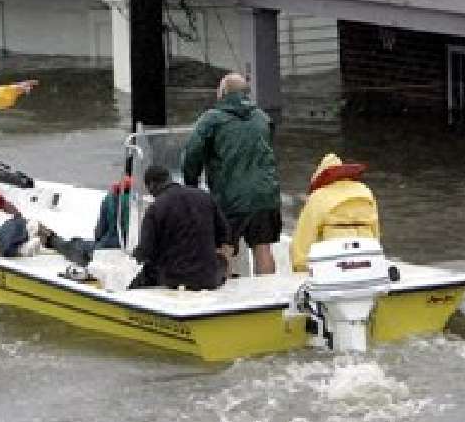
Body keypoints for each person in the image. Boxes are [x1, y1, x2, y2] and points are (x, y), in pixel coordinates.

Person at [181, 73, 281, 276]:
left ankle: (224, 288)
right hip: (265, 195)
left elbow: (192, 154)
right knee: (262, 247)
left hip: (229, 198)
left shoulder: (212, 119)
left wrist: (191, 185)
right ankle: (269, 290)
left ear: (223, 93)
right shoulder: (262, 117)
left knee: (224, 248)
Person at [129, 165, 230, 290]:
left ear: (152, 185)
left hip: (173, 278)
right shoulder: (205, 197)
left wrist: (135, 255)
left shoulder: (156, 208)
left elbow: (146, 251)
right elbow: (225, 234)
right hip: (208, 277)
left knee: (140, 279)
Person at [290, 153, 381, 273]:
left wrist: (300, 265)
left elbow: (304, 235)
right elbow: (375, 229)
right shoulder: (365, 191)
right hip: (367, 252)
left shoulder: (319, 196)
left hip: (335, 256)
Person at [92, 176, 133, 249]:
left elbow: (102, 225)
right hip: (131, 241)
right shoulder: (136, 201)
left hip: (115, 239)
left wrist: (98, 239)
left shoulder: (109, 200)